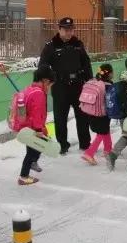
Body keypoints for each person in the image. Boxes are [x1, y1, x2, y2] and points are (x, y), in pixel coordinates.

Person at [39, 17, 93, 155]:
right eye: (66, 30)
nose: (69, 32)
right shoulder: (51, 46)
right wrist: (47, 80)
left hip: (78, 85)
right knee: (60, 118)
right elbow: (43, 65)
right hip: (60, 87)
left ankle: (85, 143)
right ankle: (62, 145)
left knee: (82, 116)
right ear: (59, 29)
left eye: (71, 30)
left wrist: (90, 82)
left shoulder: (77, 44)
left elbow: (86, 64)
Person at [18, 65, 55, 185]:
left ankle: (32, 163)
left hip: (28, 126)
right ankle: (23, 176)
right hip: (34, 128)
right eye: (50, 85)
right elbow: (37, 113)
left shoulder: (30, 89)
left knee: (34, 149)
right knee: (31, 152)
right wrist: (39, 130)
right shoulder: (39, 94)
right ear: (45, 81)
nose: (49, 88)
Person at [82, 64, 115, 166]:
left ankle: (108, 150)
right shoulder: (108, 86)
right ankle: (89, 153)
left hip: (91, 111)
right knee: (102, 133)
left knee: (105, 130)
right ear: (109, 74)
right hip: (102, 114)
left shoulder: (94, 81)